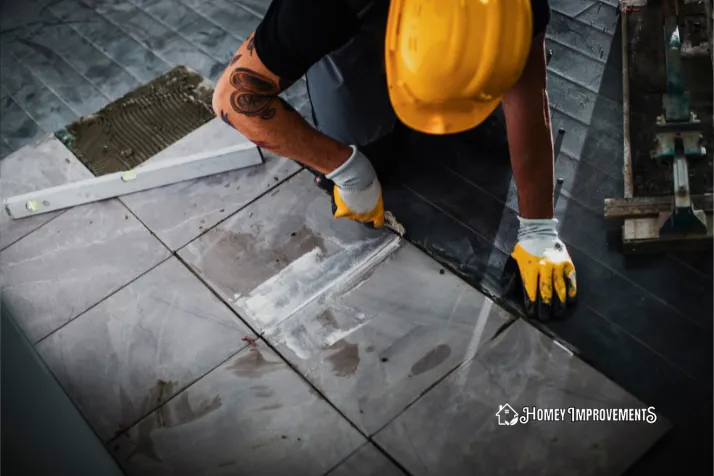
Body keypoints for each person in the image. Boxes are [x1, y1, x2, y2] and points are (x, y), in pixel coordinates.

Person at [211, 0, 577, 321]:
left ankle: (461, 85)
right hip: (349, 21)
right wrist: (346, 169)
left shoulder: (512, 9)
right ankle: (368, 72)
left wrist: (539, 230)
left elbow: (529, 98)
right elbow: (233, 99)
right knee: (368, 145)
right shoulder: (321, 8)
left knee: (498, 116)